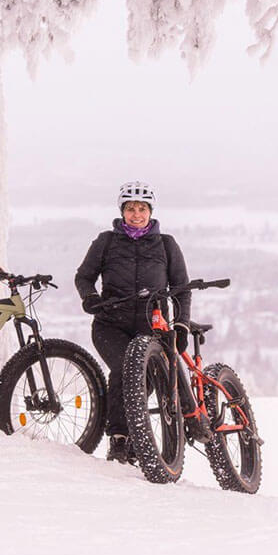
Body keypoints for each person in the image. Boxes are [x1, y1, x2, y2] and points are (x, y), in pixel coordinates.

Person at [75, 181, 191, 464]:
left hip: (152, 325)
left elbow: (181, 288)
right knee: (126, 367)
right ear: (122, 210)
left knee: (150, 375)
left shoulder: (166, 245)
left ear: (150, 211)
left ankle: (137, 436)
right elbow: (84, 277)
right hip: (110, 324)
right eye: (130, 209)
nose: (136, 214)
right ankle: (119, 439)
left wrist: (182, 325)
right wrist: (89, 297)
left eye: (141, 208)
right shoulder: (106, 241)